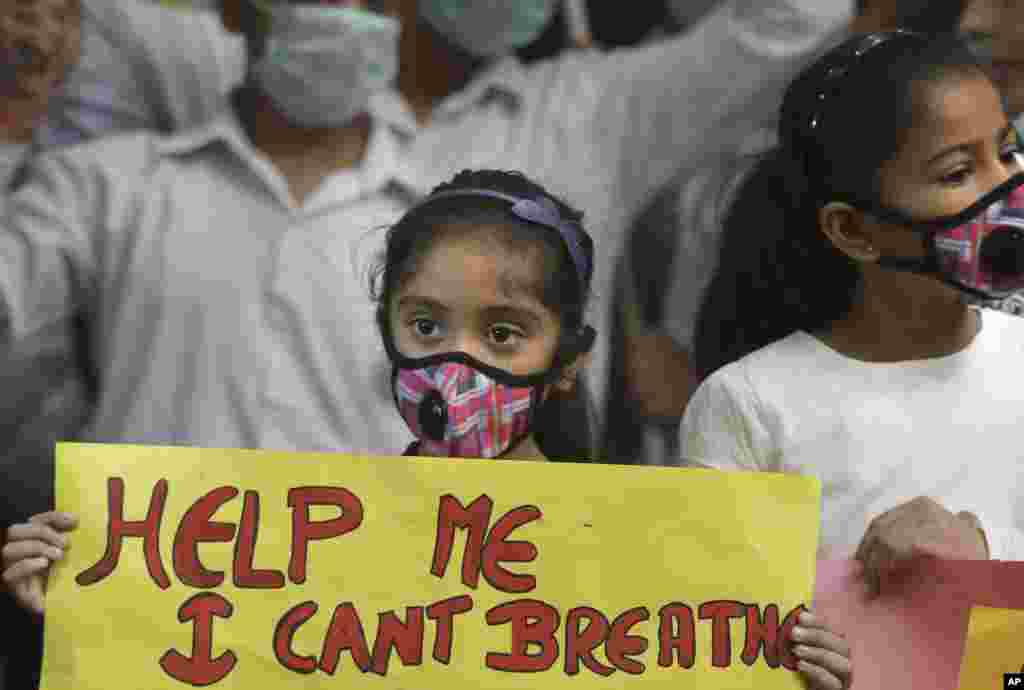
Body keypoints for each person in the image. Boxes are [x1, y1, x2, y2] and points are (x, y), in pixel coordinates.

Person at [4, 176, 857, 690]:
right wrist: (89, 587)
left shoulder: (667, 561)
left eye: (503, 334)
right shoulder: (290, 540)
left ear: (569, 361)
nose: (456, 362)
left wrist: (803, 664)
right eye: (425, 325)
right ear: (385, 332)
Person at [678, 31, 1024, 592]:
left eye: (1006, 152)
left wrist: (986, 555)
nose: (1008, 188)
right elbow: (721, 633)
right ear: (854, 230)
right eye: (958, 173)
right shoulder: (747, 405)